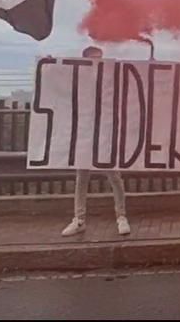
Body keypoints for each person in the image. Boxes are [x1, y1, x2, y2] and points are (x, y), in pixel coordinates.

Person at [60, 46, 131, 237]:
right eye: (94, 59)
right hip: (85, 133)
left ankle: (121, 216)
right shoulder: (80, 80)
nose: (99, 62)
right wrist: (51, 68)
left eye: (100, 58)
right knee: (82, 178)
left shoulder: (108, 79)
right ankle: (79, 219)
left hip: (104, 133)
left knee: (114, 177)